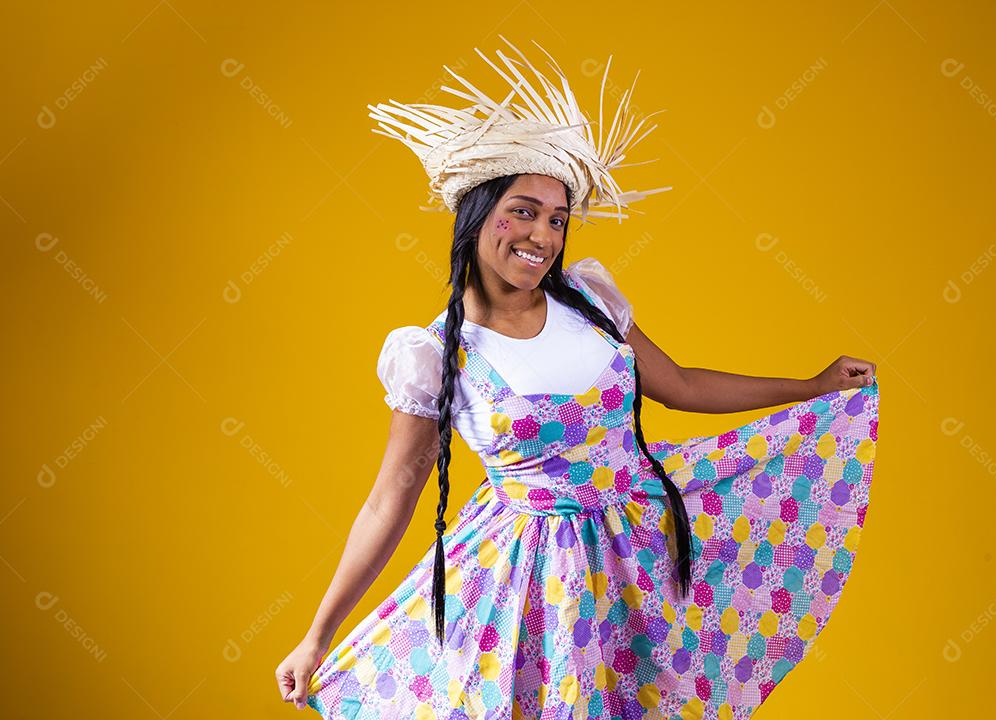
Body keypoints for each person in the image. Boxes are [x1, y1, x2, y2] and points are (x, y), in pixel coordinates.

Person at [276, 37, 880, 720]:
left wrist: (811, 386)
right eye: (523, 211)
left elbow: (679, 385)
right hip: (531, 585)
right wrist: (315, 636)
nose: (542, 235)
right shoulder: (436, 355)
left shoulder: (591, 303)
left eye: (557, 219)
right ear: (476, 215)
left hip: (641, 555)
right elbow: (391, 500)